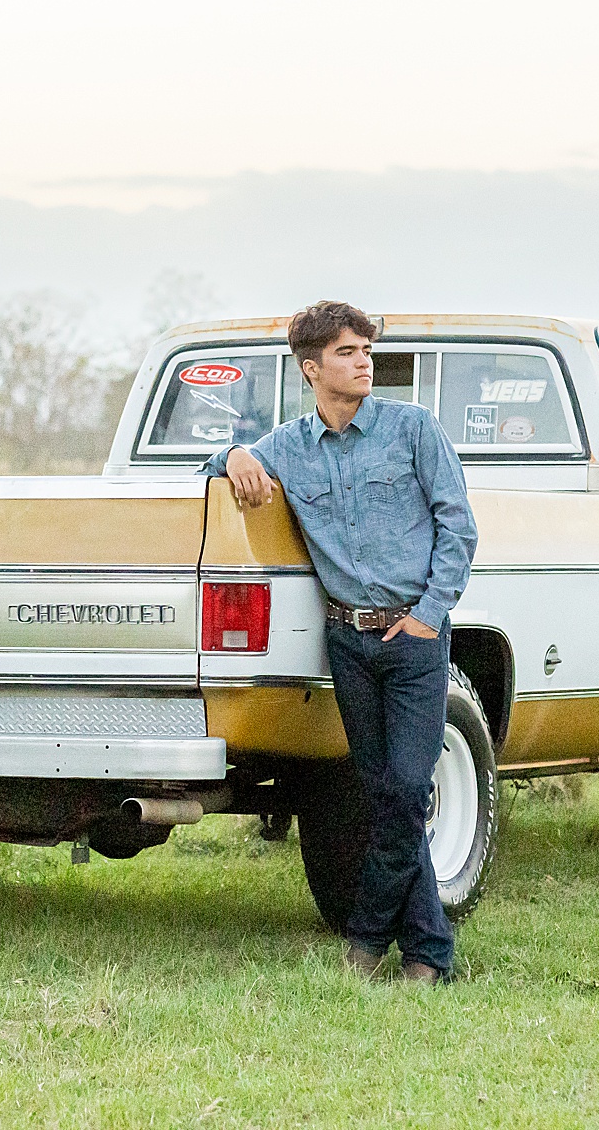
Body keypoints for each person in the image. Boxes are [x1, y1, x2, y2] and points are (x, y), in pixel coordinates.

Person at [204, 301, 477, 984]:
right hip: (348, 644)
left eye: (366, 351)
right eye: (347, 352)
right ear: (311, 369)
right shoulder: (289, 447)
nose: (364, 362)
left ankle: (367, 940)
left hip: (413, 638)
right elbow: (210, 466)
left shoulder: (413, 429)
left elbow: (458, 526)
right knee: (383, 796)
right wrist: (234, 454)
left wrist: (429, 614)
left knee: (408, 789)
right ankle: (428, 956)